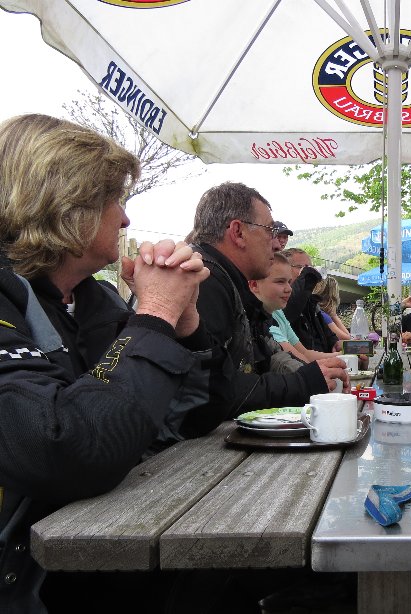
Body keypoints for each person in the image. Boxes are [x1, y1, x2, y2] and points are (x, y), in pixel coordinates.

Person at [0, 113, 213, 613]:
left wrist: (183, 325)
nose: (125, 220)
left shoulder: (93, 302)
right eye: (115, 200)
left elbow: (190, 421)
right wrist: (155, 315)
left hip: (105, 546)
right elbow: (63, 448)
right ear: (66, 206)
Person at [177, 183, 348, 443]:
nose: (276, 244)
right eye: (269, 231)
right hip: (177, 455)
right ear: (238, 232)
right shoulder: (204, 280)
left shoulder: (223, 280)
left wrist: (308, 375)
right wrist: (303, 383)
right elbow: (213, 394)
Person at [249, 253, 341, 366]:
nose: (289, 289)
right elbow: (296, 360)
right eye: (280, 281)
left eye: (288, 282)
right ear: (254, 285)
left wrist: (345, 354)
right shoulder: (264, 319)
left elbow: (305, 354)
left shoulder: (279, 312)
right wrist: (343, 357)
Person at [282, 247, 340, 353]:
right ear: (284, 269)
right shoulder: (279, 306)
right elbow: (291, 308)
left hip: (326, 360)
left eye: (309, 267)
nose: (308, 271)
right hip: (306, 362)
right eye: (301, 267)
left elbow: (331, 338)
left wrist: (336, 344)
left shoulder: (311, 304)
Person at [313, 276, 351, 341]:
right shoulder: (323, 316)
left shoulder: (314, 311)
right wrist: (334, 316)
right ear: (333, 296)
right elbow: (347, 338)